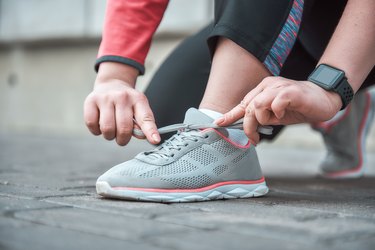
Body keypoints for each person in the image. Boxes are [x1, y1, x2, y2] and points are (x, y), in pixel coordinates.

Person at [84, 0, 375, 202]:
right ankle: (340, 118)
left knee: (201, 132)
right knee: (163, 123)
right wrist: (115, 76)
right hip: (283, 23)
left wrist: (332, 84)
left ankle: (220, 133)